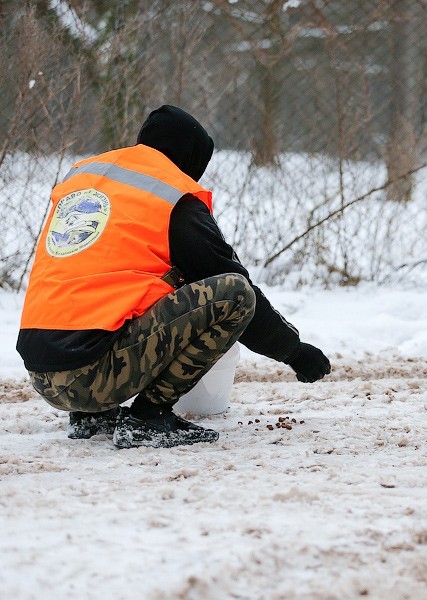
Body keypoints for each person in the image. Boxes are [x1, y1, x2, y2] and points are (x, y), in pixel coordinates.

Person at [17, 105, 331, 449]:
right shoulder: (172, 197)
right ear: (189, 158)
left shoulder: (85, 181)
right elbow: (230, 282)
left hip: (42, 373)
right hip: (93, 376)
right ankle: (149, 419)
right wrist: (295, 352)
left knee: (135, 281)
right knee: (235, 294)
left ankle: (92, 415)